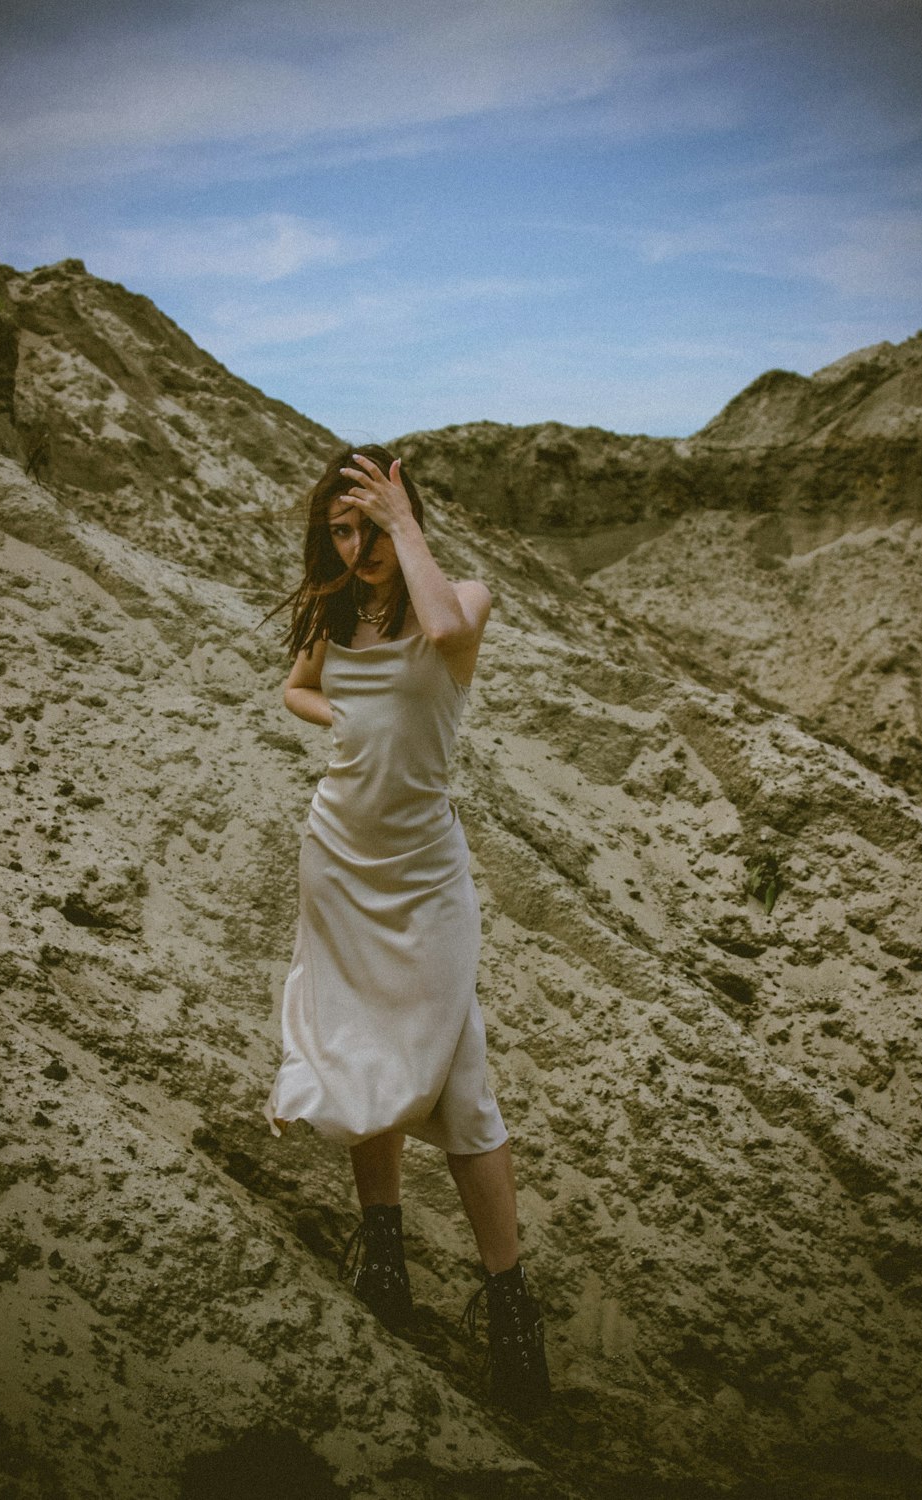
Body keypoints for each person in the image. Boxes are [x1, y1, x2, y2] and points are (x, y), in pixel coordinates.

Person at [264, 444, 551, 1417]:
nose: (357, 545)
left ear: (403, 515)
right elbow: (296, 686)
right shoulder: (338, 612)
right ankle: (383, 1253)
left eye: (370, 524)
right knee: (358, 1043)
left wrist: (400, 522)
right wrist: (333, 713)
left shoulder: (458, 602)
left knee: (461, 1081)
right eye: (340, 529)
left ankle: (509, 1305)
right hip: (337, 863)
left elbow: (436, 619)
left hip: (425, 881)